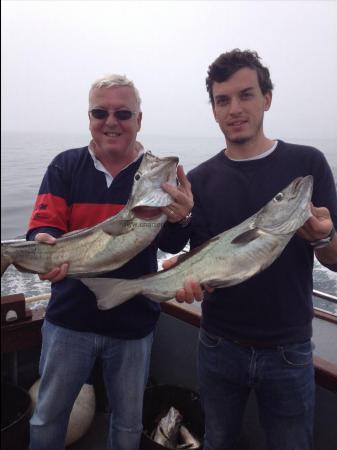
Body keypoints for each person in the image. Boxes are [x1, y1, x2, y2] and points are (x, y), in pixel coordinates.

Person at [163, 49, 337, 450]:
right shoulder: (201, 179)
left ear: (267, 98)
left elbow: (333, 257)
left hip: (289, 349)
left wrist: (324, 238)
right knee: (218, 440)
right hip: (218, 345)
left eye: (246, 95)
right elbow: (205, 263)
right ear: (213, 109)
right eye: (223, 100)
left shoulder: (306, 166)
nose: (235, 108)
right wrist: (183, 231)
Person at [27, 74, 193, 450]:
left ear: (139, 119)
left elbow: (171, 240)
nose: (111, 122)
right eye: (100, 112)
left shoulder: (158, 175)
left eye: (123, 113)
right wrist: (42, 244)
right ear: (89, 118)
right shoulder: (65, 167)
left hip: (133, 323)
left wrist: (182, 217)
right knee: (49, 415)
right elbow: (43, 226)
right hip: (69, 318)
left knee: (127, 423)